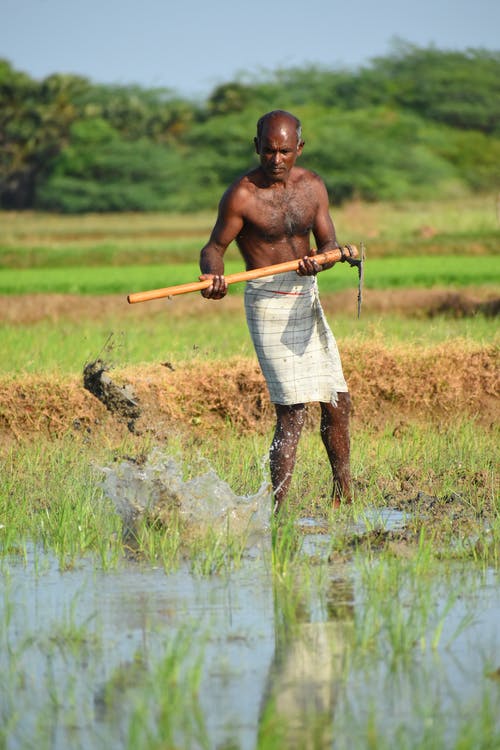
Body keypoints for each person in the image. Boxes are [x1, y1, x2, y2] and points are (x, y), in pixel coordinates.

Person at [199, 110, 351, 513]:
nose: (277, 159)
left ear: (299, 148)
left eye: (285, 151)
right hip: (268, 299)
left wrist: (322, 260)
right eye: (268, 150)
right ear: (257, 147)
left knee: (337, 401)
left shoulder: (313, 187)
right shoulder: (242, 195)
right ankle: (281, 512)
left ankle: (344, 495)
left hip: (307, 295)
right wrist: (212, 277)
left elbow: (329, 242)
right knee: (293, 412)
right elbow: (214, 248)